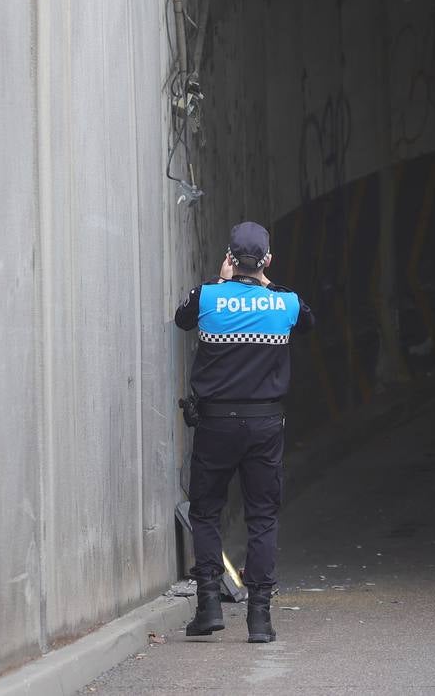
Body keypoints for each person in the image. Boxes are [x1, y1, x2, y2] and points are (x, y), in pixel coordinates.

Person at [174, 221, 314, 643]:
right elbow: (307, 323)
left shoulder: (206, 296)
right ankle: (259, 618)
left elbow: (182, 320)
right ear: (267, 260)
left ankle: (209, 606)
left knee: (204, 511)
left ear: (231, 258)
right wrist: (266, 281)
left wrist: (222, 279)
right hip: (265, 425)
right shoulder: (285, 303)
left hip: (216, 424)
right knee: (262, 516)